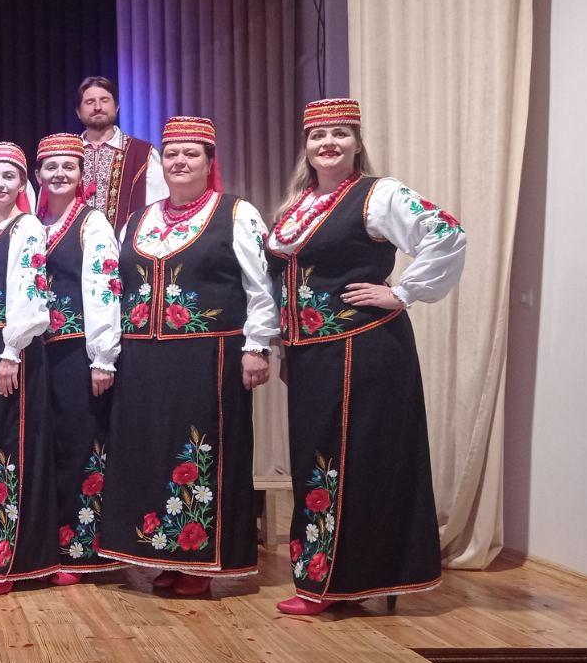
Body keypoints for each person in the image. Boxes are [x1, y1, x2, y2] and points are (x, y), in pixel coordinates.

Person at [266, 99, 465, 616]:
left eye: (340, 133)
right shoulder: (297, 206)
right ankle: (340, 577)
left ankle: (340, 582)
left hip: (364, 347)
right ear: (306, 147)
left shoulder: (379, 194)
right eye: (318, 135)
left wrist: (401, 292)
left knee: (358, 460)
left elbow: (446, 232)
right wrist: (285, 346)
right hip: (311, 355)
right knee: (317, 459)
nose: (328, 143)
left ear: (357, 143)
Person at [96, 117, 277, 597]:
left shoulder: (236, 212)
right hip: (142, 359)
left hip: (209, 357)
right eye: (173, 153)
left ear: (209, 161)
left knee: (202, 450)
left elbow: (261, 286)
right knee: (151, 450)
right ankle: (163, 553)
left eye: (191, 153)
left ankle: (200, 561)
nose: (179, 161)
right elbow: (116, 289)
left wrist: (256, 346)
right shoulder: (138, 220)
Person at [30, 133, 124, 584]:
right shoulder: (34, 225)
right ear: (38, 175)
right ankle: (53, 545)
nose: (60, 174)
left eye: (69, 166)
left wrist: (102, 357)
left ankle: (85, 552)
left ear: (83, 174)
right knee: (48, 445)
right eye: (51, 167)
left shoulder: (93, 223)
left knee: (81, 444)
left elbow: (104, 289)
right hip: (40, 352)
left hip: (77, 350)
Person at [0, 142, 58, 595]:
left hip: (12, 348)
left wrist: (11, 351)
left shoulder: (28, 227)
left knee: (12, 447)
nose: (0, 184)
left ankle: (12, 560)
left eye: (9, 176)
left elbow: (28, 291)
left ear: (23, 182)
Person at [74, 76, 166, 230]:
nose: (98, 107)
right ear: (78, 112)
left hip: (127, 243)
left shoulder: (143, 154)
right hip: (74, 242)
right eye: (89, 102)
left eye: (104, 100)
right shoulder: (68, 154)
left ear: (116, 106)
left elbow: (158, 208)